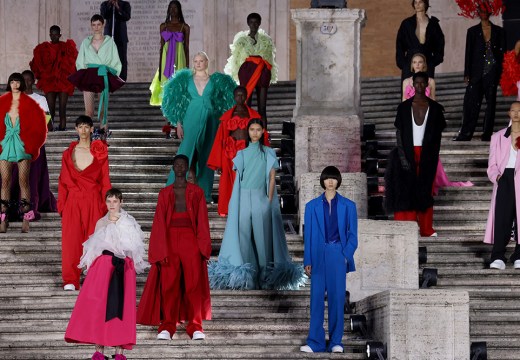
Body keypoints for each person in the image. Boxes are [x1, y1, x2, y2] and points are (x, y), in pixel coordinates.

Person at [208, 119, 306, 290]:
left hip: (261, 199)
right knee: (243, 238)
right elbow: (237, 183)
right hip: (244, 199)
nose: (254, 132)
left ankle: (265, 276)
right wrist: (234, 205)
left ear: (263, 132)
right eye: (252, 129)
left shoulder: (269, 153)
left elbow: (271, 179)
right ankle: (248, 278)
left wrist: (268, 201)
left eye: (258, 129)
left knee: (263, 241)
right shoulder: (242, 154)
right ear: (248, 132)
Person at [65, 188, 148, 360]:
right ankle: (99, 351)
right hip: (103, 267)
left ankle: (120, 352)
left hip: (123, 267)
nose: (112, 204)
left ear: (121, 202)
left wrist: (130, 268)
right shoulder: (100, 223)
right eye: (109, 201)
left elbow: (134, 249)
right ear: (105, 202)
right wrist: (90, 267)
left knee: (122, 308)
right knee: (100, 307)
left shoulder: (128, 222)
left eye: (115, 201)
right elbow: (94, 248)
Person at [137, 155, 212, 341]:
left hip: (190, 240)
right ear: (173, 168)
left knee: (193, 284)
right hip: (169, 240)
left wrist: (203, 248)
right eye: (177, 165)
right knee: (168, 285)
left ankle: (195, 326)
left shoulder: (197, 192)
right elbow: (159, 222)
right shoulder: (164, 193)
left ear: (187, 168)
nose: (179, 167)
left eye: (183, 165)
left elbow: (202, 220)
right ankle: (168, 325)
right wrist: (159, 250)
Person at [162, 51, 235, 203]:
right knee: (185, 151)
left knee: (207, 154)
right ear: (193, 63)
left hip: (211, 118)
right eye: (196, 61)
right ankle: (171, 190)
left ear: (206, 63)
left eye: (201, 61)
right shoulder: (186, 80)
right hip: (191, 116)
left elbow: (223, 101)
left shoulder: (215, 80)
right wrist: (179, 123)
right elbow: (178, 102)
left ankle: (204, 194)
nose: (199, 63)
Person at [300, 166, 358, 354]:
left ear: (338, 181)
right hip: (317, 255)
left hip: (337, 254)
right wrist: (307, 259)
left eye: (334, 178)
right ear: (323, 181)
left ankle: (336, 342)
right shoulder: (311, 206)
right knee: (316, 299)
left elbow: (353, 235)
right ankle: (315, 342)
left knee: (336, 298)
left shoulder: (349, 206)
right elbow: (308, 235)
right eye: (327, 178)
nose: (330, 181)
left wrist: (344, 255)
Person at [384, 72, 446, 237]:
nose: (419, 86)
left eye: (422, 83)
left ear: (427, 85)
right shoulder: (403, 108)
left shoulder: (436, 109)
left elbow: (438, 137)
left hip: (428, 153)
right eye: (416, 83)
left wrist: (434, 157)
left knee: (426, 188)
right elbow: (399, 133)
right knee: (405, 188)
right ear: (413, 85)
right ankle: (405, 226)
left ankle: (426, 228)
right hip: (407, 150)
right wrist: (402, 156)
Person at [401, 56, 473, 195]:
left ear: (424, 65)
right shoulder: (406, 82)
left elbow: (433, 101)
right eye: (414, 62)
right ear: (411, 65)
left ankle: (430, 180)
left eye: (420, 62)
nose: (417, 64)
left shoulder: (431, 82)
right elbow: (403, 102)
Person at [58, 115, 111, 291]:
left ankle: (93, 274)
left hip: (93, 198)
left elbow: (105, 179)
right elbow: (62, 181)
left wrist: (107, 205)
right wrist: (62, 206)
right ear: (76, 129)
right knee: (71, 240)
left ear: (91, 129)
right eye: (80, 127)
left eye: (86, 127)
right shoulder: (68, 153)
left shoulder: (100, 151)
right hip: (73, 200)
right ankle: (71, 279)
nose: (83, 130)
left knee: (94, 238)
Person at [208, 86, 270, 216]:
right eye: (238, 95)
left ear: (246, 97)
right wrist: (218, 163)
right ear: (234, 97)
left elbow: (260, 134)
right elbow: (221, 138)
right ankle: (229, 208)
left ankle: (249, 208)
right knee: (229, 181)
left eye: (242, 95)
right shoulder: (228, 116)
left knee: (249, 180)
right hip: (231, 151)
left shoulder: (252, 115)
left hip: (249, 150)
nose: (240, 98)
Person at [0, 73, 47, 233]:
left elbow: (40, 126)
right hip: (6, 146)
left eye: (17, 81)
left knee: (23, 182)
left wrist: (33, 146)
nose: (14, 84)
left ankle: (25, 218)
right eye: (11, 81)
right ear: (9, 83)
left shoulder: (30, 103)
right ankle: (3, 218)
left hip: (23, 146)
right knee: (5, 182)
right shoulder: (3, 101)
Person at [7, 70, 57, 222]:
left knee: (32, 177)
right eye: (24, 80)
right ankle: (12, 207)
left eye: (29, 80)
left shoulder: (39, 99)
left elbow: (48, 123)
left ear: (33, 81)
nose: (26, 83)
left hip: (34, 144)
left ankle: (28, 208)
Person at [453, 0, 505, 141]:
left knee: (491, 104)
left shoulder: (499, 31)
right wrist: (467, 73)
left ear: (490, 12)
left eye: (485, 11)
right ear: (478, 13)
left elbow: (503, 54)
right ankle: (466, 133)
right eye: (481, 11)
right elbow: (468, 52)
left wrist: (502, 73)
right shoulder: (472, 31)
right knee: (471, 103)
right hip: (476, 72)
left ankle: (487, 134)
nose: (483, 14)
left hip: (492, 71)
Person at [68, 14, 123, 138]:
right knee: (89, 110)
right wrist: (83, 73)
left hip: (104, 75)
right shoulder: (86, 42)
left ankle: (104, 133)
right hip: (89, 75)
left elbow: (115, 59)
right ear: (91, 26)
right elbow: (80, 60)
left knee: (103, 109)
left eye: (99, 24)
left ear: (103, 25)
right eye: (94, 25)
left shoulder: (110, 42)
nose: (96, 27)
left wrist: (113, 73)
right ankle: (86, 134)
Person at [224, 12, 277, 125]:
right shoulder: (241, 41)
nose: (254, 24)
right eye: (251, 22)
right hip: (247, 73)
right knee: (246, 105)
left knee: (262, 107)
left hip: (262, 72)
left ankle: (264, 134)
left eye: (256, 22)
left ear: (259, 23)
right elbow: (236, 60)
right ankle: (246, 134)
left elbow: (269, 59)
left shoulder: (266, 40)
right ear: (248, 23)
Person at [484, 102, 520, 270]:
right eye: (513, 110)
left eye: (519, 111)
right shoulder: (498, 136)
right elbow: (492, 164)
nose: (516, 114)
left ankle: (518, 254)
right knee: (502, 217)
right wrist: (497, 177)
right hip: (504, 178)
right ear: (508, 113)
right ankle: (498, 255)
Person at [30, 25, 78, 131]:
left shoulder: (66, 47)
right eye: (52, 34)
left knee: (62, 107)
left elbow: (73, 62)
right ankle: (49, 127)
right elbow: (37, 63)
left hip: (63, 80)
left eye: (56, 34)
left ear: (60, 35)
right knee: (49, 107)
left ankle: (62, 126)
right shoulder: (44, 48)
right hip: (49, 80)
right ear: (49, 35)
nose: (54, 36)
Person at [149, 0, 190, 106]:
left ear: (179, 9)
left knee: (179, 85)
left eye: (175, 7)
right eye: (170, 7)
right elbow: (161, 47)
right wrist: (160, 66)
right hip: (166, 59)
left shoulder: (184, 27)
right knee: (166, 86)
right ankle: (167, 118)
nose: (173, 10)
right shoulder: (163, 26)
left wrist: (187, 67)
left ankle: (178, 118)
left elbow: (186, 47)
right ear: (168, 9)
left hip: (179, 58)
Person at [396, 0, 445, 81]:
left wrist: (433, 62)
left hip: (427, 63)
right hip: (410, 64)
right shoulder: (406, 23)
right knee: (408, 92)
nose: (417, 5)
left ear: (425, 4)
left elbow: (440, 44)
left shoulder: (433, 24)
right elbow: (399, 45)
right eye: (415, 2)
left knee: (427, 91)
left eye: (420, 2)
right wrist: (403, 64)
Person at [100, 0, 131, 81]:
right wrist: (110, 5)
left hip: (121, 36)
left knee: (121, 58)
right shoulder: (105, 4)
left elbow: (127, 17)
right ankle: (109, 77)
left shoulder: (125, 4)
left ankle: (122, 78)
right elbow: (103, 15)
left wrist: (118, 8)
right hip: (109, 36)